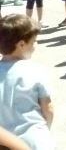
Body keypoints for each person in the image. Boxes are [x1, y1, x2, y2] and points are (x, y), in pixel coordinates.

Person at [0, 14, 54, 150]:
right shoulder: (36, 70)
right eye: (34, 41)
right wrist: (45, 129)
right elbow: (48, 108)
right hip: (36, 140)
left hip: (6, 143)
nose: (35, 45)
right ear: (21, 44)